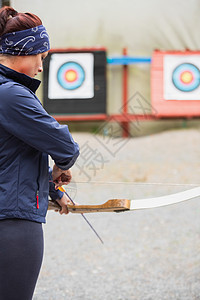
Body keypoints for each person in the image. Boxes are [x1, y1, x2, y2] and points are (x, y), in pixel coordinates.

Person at [0, 6, 79, 300]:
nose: (41, 67)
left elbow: (9, 159)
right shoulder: (10, 94)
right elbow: (64, 144)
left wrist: (51, 187)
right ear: (23, 53)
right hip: (11, 223)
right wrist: (63, 164)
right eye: (40, 57)